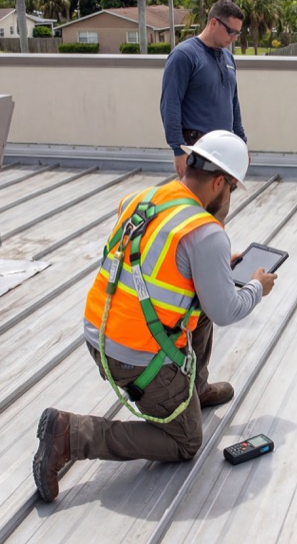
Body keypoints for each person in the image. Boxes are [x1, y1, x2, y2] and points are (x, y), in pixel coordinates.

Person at [33, 131, 277, 503]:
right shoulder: (206, 232)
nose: (229, 199)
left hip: (99, 333)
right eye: (232, 189)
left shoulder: (143, 199)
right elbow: (227, 310)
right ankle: (72, 434)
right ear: (218, 183)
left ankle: (192, 390)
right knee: (185, 441)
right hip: (134, 359)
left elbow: (150, 261)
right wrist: (257, 286)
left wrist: (213, 270)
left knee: (207, 298)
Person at [160, 0, 246, 178]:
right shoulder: (184, 56)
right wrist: (178, 149)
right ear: (214, 23)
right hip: (196, 147)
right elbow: (170, 104)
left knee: (220, 203)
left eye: (238, 33)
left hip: (224, 148)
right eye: (231, 32)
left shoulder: (228, 58)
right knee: (197, 203)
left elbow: (233, 103)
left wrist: (241, 144)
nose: (234, 38)